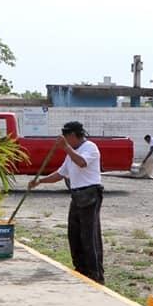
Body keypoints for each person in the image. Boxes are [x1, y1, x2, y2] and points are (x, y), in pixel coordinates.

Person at [28, 121, 105, 284]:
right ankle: (81, 269)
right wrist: (40, 181)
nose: (65, 141)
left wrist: (66, 148)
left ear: (73, 135)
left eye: (66, 137)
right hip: (77, 195)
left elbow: (82, 163)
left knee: (89, 236)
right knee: (74, 234)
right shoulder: (71, 153)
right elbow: (60, 174)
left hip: (90, 194)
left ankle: (95, 274)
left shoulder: (90, 147)